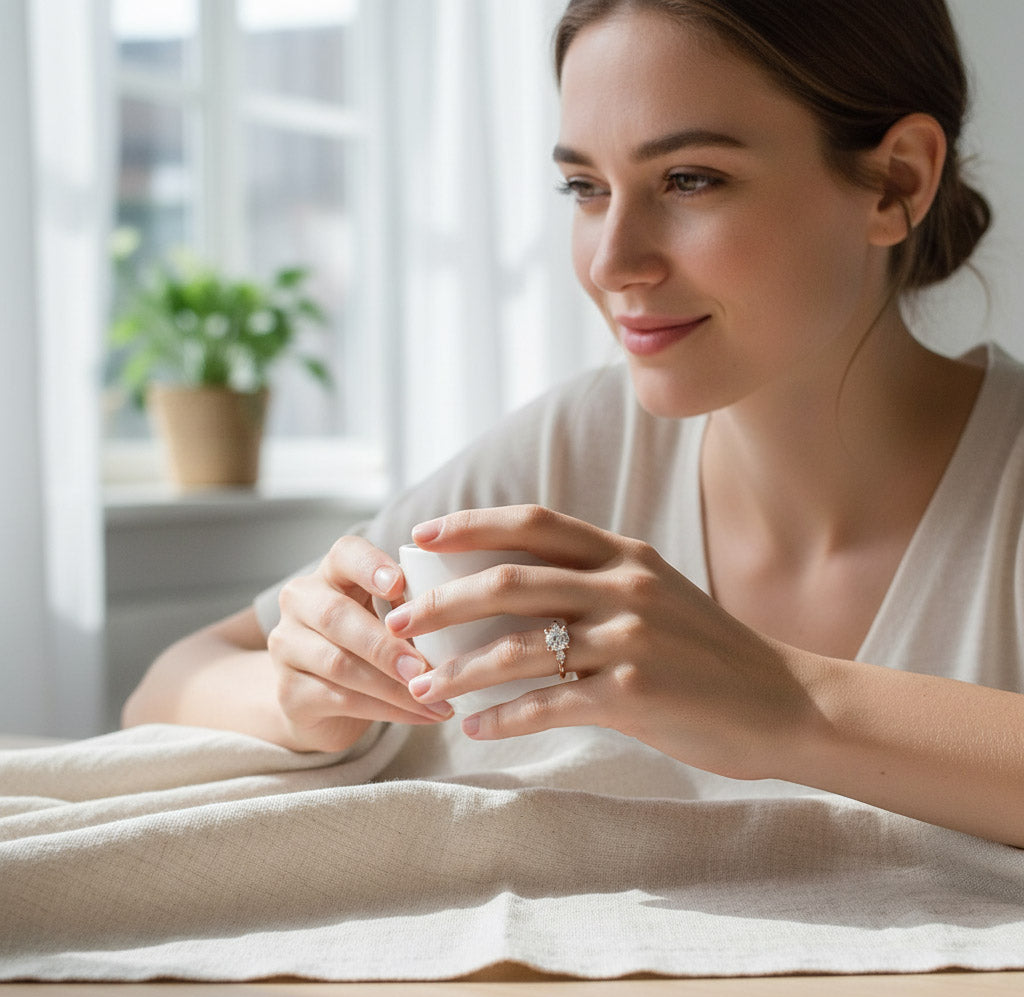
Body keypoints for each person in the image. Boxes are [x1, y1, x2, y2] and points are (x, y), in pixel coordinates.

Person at [123, 0, 1024, 847]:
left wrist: (790, 706)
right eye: (585, 189)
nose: (612, 261)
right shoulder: (570, 451)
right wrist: (300, 693)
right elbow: (169, 685)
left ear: (895, 181)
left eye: (690, 179)